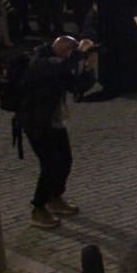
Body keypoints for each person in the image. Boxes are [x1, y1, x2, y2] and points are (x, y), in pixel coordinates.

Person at [17, 34, 97, 228]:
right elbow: (62, 66)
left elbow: (76, 87)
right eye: (70, 50)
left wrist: (89, 69)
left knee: (65, 160)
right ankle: (38, 208)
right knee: (50, 165)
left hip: (53, 121)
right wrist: (79, 53)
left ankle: (55, 198)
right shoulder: (40, 62)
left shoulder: (60, 63)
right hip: (36, 122)